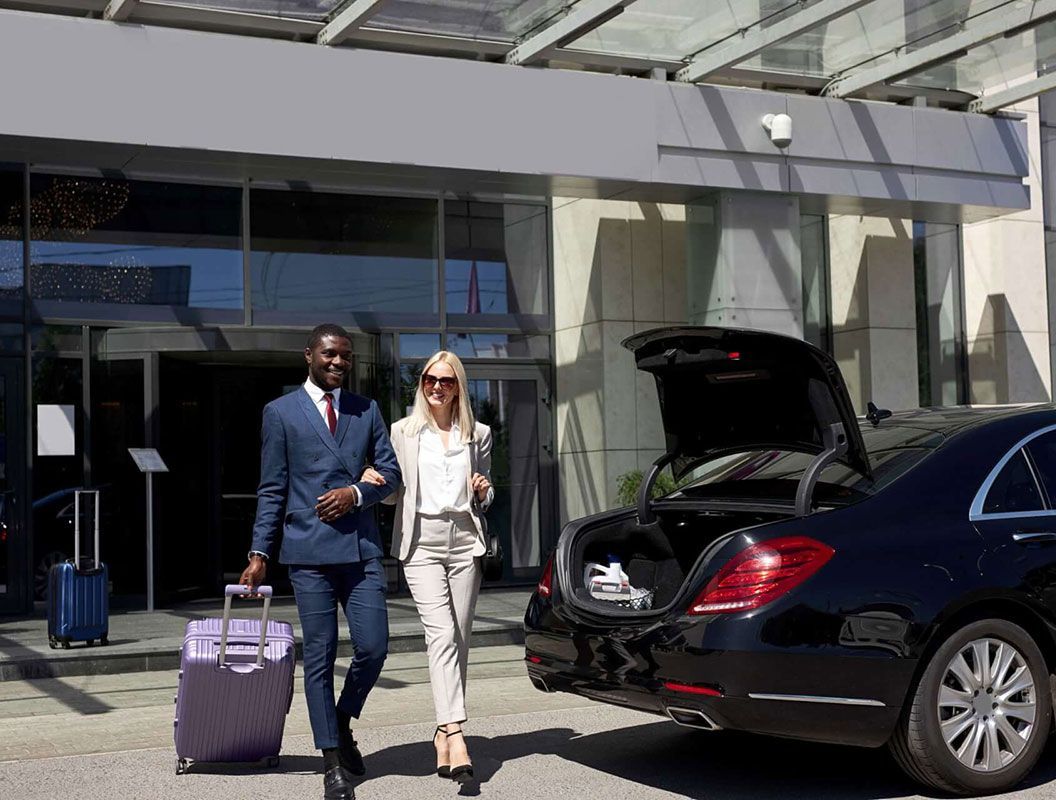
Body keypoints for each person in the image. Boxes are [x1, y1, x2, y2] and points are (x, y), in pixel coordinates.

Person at [240, 323, 401, 800]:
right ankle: (331, 761)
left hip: (360, 550)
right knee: (320, 656)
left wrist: (355, 493)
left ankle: (343, 718)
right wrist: (258, 553)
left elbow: (390, 474)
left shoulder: (367, 409)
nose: (338, 363)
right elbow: (272, 489)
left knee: (374, 647)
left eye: (346, 356)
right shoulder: (280, 413)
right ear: (308, 355)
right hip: (308, 554)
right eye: (330, 354)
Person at [361, 350, 492, 783]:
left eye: (447, 381)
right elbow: (397, 493)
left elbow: (485, 495)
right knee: (440, 635)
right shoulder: (403, 432)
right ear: (421, 384)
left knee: (460, 638)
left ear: (459, 387)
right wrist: (373, 480)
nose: (438, 387)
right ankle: (456, 734)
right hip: (422, 543)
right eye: (431, 379)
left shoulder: (479, 434)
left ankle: (441, 730)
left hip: (465, 541)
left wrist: (483, 489)